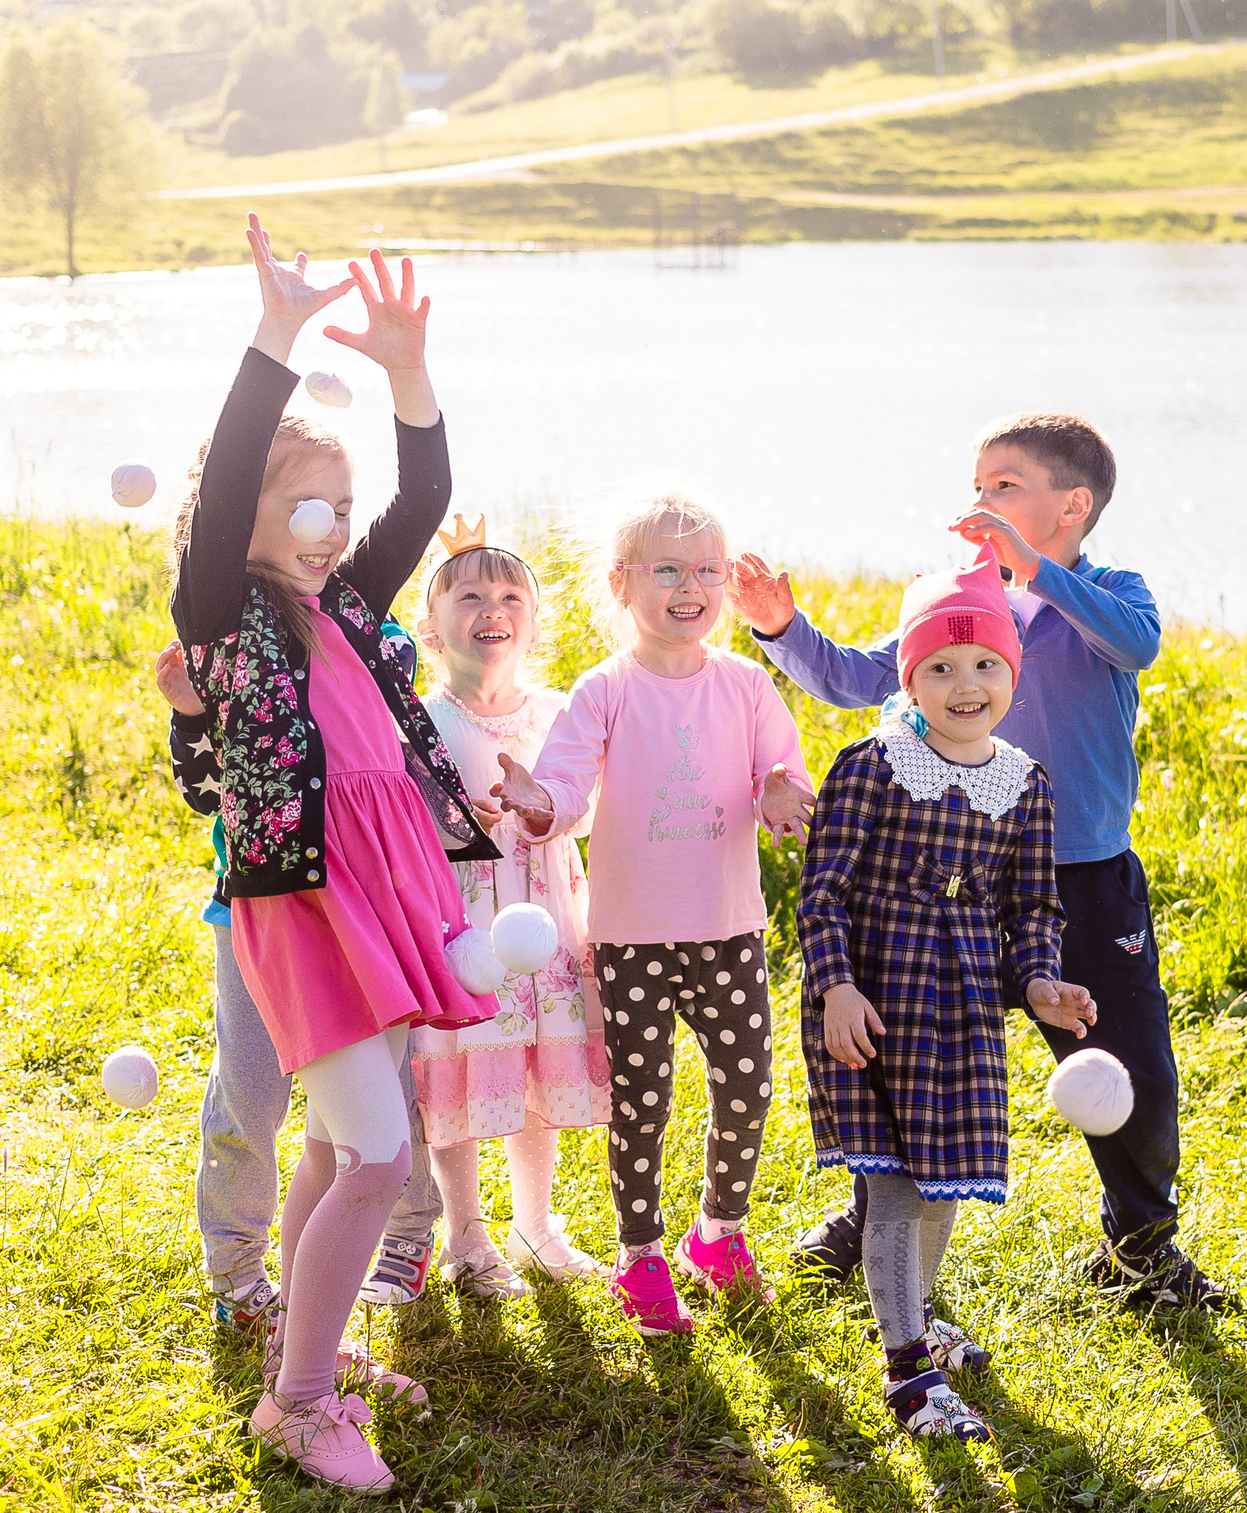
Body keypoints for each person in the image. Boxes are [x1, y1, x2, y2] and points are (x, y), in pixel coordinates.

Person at [733, 412, 1238, 1314]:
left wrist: (1035, 571)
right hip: (950, 884)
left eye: (1004, 484)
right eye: (979, 484)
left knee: (1135, 1070)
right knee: (913, 1055)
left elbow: (1137, 644)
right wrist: (783, 628)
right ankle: (869, 1216)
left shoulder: (1110, 592)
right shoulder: (968, 603)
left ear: (1072, 505)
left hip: (1083, 879)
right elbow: (864, 677)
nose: (982, 500)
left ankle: (1142, 1244)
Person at [167, 216, 500, 1491]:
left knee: (333, 1146)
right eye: (300, 506)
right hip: (305, 904)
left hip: (387, 890)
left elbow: (425, 495)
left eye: (336, 510)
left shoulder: (346, 605)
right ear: (240, 514)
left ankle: (309, 1354)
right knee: (376, 1156)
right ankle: (300, 1403)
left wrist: (407, 374)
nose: (325, 527)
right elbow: (235, 472)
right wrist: (273, 338)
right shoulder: (224, 612)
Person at [492, 492, 815, 1338]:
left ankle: (718, 1232)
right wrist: (536, 801)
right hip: (632, 935)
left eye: (708, 569)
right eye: (668, 568)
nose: (692, 585)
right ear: (620, 583)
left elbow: (779, 770)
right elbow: (565, 786)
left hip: (730, 928)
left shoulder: (745, 685)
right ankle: (639, 1255)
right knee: (642, 1098)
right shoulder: (605, 689)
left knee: (746, 1085)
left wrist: (781, 792)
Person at [799, 552, 1098, 1443]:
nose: (965, 684)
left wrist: (1040, 980)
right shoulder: (873, 766)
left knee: (944, 1190)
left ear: (1014, 670)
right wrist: (837, 986)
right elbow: (822, 891)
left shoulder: (1026, 783)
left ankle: (914, 1312)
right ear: (909, 677)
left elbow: (1031, 905)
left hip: (962, 1008)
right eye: (940, 666)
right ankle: (909, 1376)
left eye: (985, 666)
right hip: (878, 1001)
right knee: (893, 1189)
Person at [157, 635, 447, 1340]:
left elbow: (404, 768)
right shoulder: (228, 649)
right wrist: (191, 715)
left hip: (366, 911)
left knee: (388, 1088)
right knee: (251, 1090)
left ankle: (406, 1234)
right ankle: (237, 1273)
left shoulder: (377, 639)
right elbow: (203, 794)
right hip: (258, 917)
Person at [390, 520, 609, 1298]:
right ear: (430, 624)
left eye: (511, 593)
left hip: (547, 913)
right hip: (464, 925)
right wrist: (459, 826)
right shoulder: (418, 720)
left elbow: (587, 802)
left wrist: (546, 811)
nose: (493, 606)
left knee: (531, 1070)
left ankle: (535, 1224)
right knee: (461, 1067)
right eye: (471, 593)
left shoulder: (559, 711)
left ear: (535, 622)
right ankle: (466, 1235)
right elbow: (397, 818)